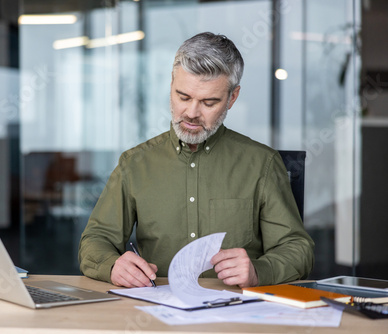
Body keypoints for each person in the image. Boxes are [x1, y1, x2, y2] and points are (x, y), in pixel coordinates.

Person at [78, 32, 314, 289]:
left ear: (232, 98)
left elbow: (298, 249)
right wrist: (113, 266)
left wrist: (260, 271)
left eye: (208, 102)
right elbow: (95, 241)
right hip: (157, 315)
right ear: (171, 84)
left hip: (235, 317)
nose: (191, 113)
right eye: (183, 96)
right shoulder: (134, 164)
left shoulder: (262, 164)